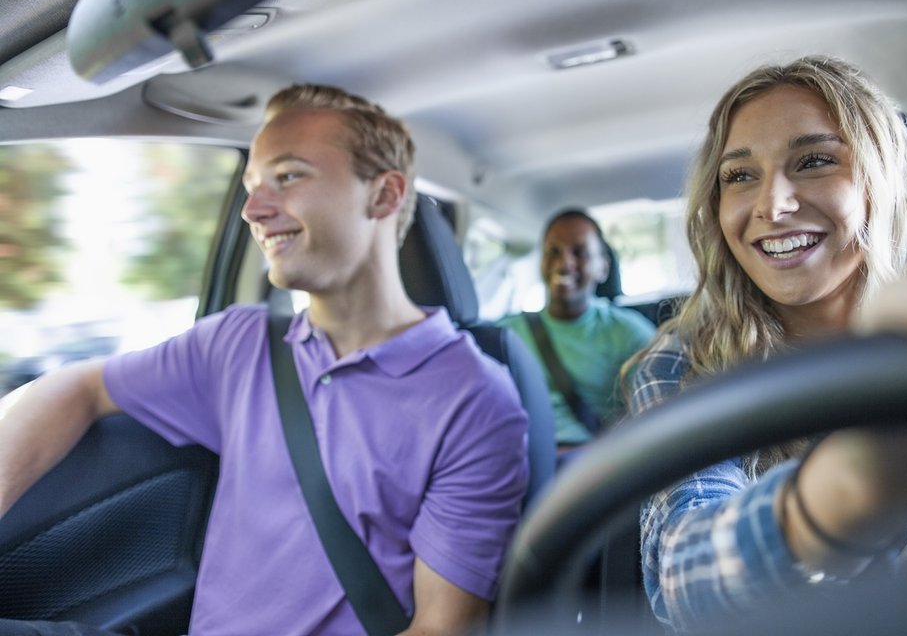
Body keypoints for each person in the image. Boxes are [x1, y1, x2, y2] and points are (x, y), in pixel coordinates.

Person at [0, 84, 529, 636]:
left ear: (384, 195)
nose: (254, 210)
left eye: (289, 176)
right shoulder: (235, 343)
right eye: (252, 186)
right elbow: (76, 386)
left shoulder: (475, 398)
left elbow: (441, 630)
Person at [627, 55, 907, 632]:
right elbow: (686, 579)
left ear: (884, 183)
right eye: (740, 175)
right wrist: (849, 487)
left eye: (814, 161)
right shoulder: (680, 363)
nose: (773, 205)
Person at [499, 209, 655, 454]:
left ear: (603, 268)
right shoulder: (505, 333)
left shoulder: (628, 333)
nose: (564, 263)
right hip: (520, 463)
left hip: (594, 468)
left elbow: (659, 411)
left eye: (579, 253)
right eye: (553, 252)